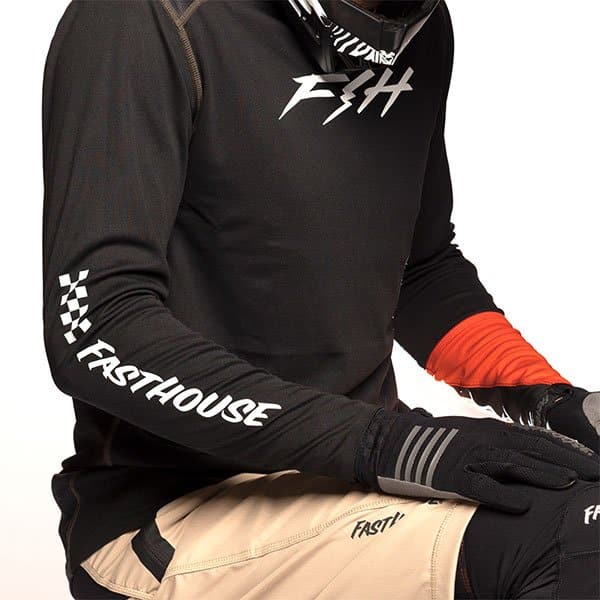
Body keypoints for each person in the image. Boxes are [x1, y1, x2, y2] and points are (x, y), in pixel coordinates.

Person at [42, 1, 600, 598]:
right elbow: (97, 326)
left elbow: (418, 271)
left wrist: (553, 400)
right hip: (175, 506)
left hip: (352, 467)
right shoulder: (145, 19)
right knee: (576, 541)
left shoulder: (420, 25)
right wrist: (389, 445)